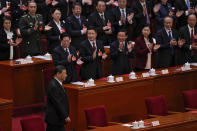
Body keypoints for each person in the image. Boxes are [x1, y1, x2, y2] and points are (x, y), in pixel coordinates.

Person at [45, 65, 71, 131]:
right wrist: (65, 116)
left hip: (57, 119)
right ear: (58, 74)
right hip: (54, 120)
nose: (66, 75)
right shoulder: (54, 86)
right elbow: (58, 103)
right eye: (64, 73)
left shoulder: (57, 83)